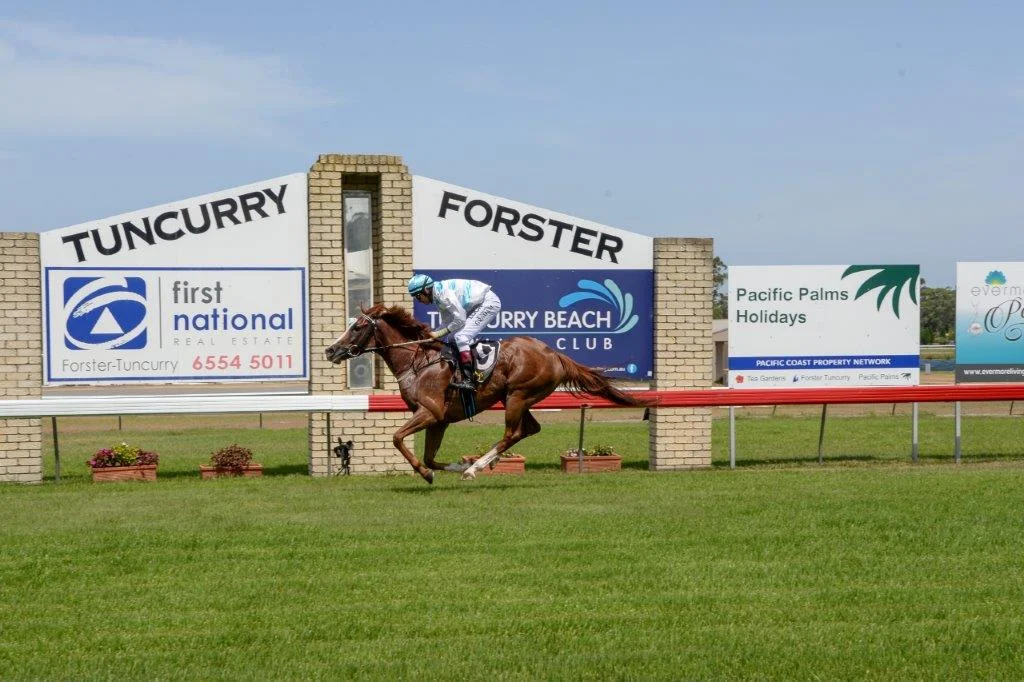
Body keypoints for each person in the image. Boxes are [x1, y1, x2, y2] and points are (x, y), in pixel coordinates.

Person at [408, 273, 501, 390]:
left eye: (418, 296)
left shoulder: (443, 295)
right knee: (452, 338)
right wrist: (431, 335)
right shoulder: (437, 296)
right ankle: (461, 372)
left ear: (426, 290)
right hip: (476, 305)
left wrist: (438, 334)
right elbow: (447, 321)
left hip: (488, 303)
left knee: (461, 337)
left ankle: (469, 380)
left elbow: (460, 320)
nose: (418, 300)